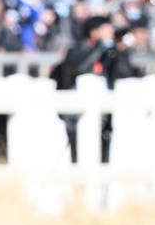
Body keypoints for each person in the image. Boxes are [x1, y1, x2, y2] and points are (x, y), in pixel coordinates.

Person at [50, 16, 144, 163]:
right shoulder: (75, 50)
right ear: (94, 32)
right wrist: (102, 47)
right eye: (106, 30)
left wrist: (119, 50)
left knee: (106, 137)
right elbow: (80, 68)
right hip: (75, 108)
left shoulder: (110, 51)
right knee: (79, 144)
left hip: (105, 104)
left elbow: (125, 72)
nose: (111, 32)